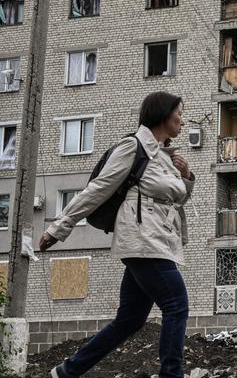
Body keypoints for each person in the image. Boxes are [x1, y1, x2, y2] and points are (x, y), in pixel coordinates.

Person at [40, 91, 195, 378]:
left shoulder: (163, 156)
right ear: (163, 114)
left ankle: (67, 371)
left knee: (130, 319)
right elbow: (98, 190)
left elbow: (177, 199)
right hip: (142, 240)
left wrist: (186, 176)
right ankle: (172, 374)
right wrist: (59, 227)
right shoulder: (132, 147)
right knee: (176, 305)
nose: (182, 121)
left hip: (159, 240)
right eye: (179, 114)